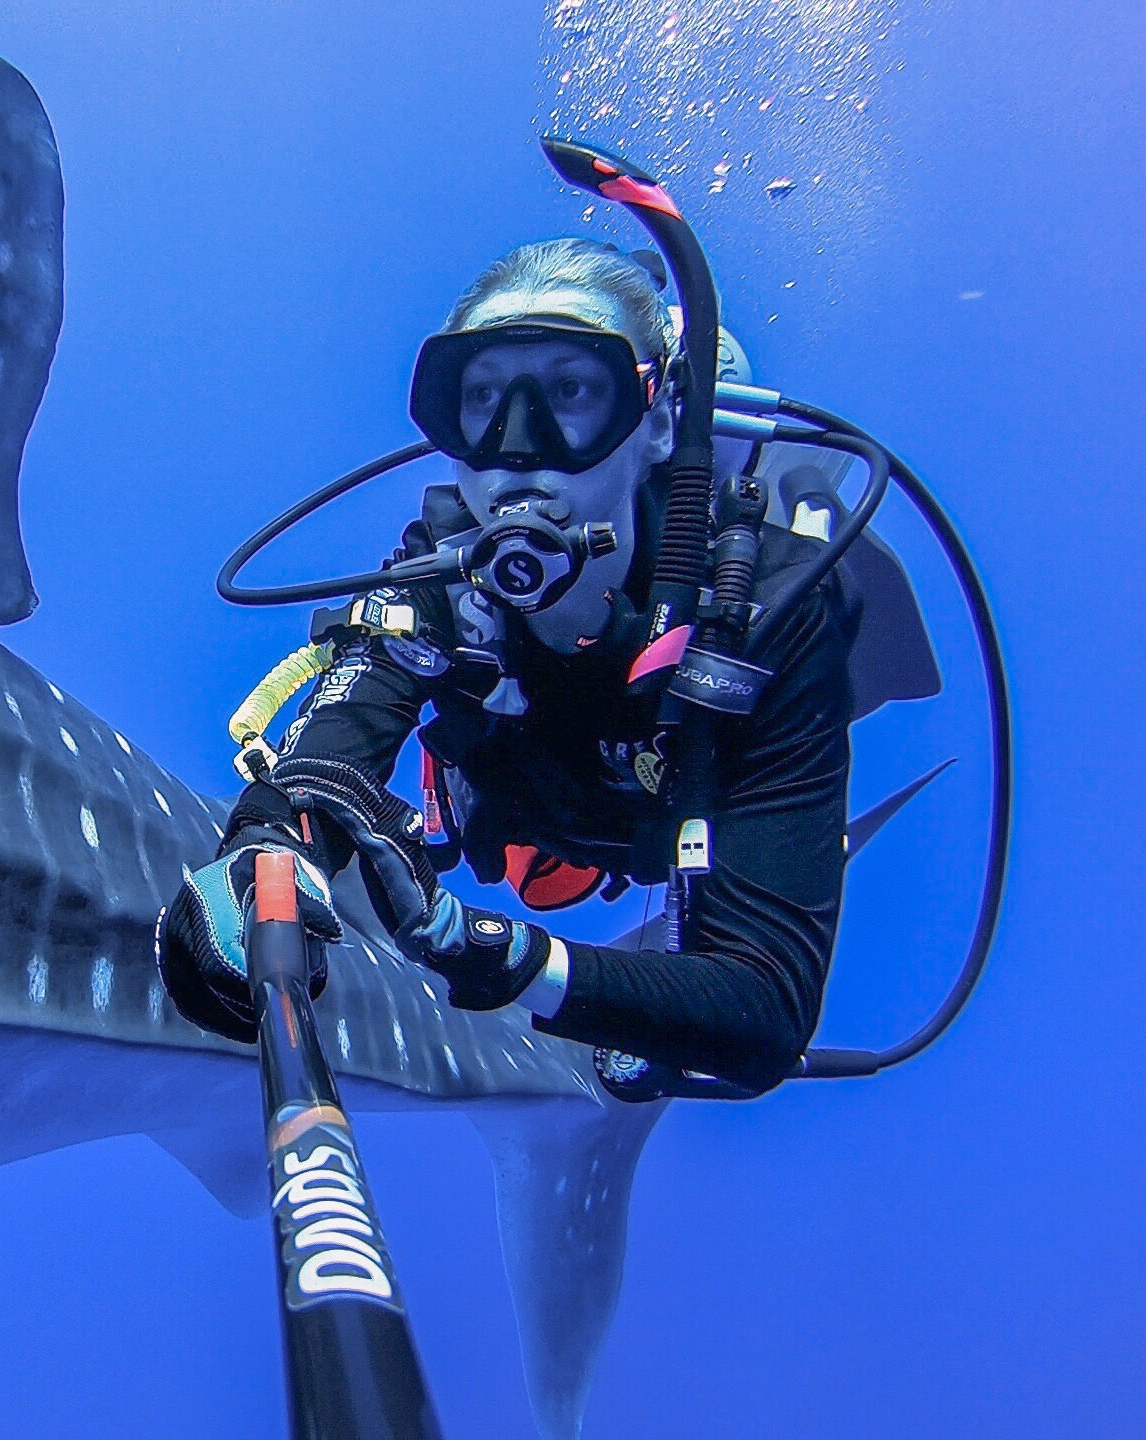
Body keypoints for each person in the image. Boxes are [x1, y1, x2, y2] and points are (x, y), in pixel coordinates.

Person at [158, 238, 855, 1098]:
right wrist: (268, 848)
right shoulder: (438, 580)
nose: (517, 451)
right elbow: (334, 754)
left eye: (571, 393)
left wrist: (499, 952)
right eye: (482, 401)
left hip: (670, 813)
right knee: (529, 865)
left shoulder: (763, 621)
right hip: (523, 820)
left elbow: (765, 1013)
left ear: (659, 421)